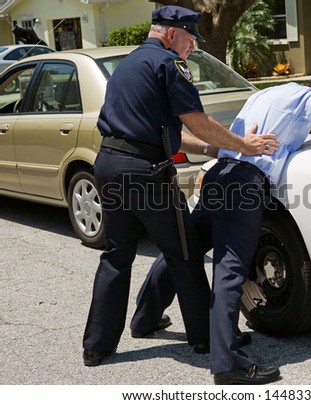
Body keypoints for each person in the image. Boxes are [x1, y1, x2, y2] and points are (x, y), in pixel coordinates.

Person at [131, 80, 311, 384]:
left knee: (186, 247)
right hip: (245, 184)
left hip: (218, 175)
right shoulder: (306, 96)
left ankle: (144, 318)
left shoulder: (263, 95)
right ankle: (227, 363)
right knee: (230, 270)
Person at [82, 5, 278, 367]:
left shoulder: (127, 65)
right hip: (145, 172)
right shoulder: (170, 65)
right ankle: (205, 338)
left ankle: (96, 346)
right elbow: (197, 120)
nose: (193, 46)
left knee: (116, 255)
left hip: (109, 165)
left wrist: (211, 149)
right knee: (185, 252)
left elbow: (163, 132)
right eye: (190, 38)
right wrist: (243, 144)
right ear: (172, 33)